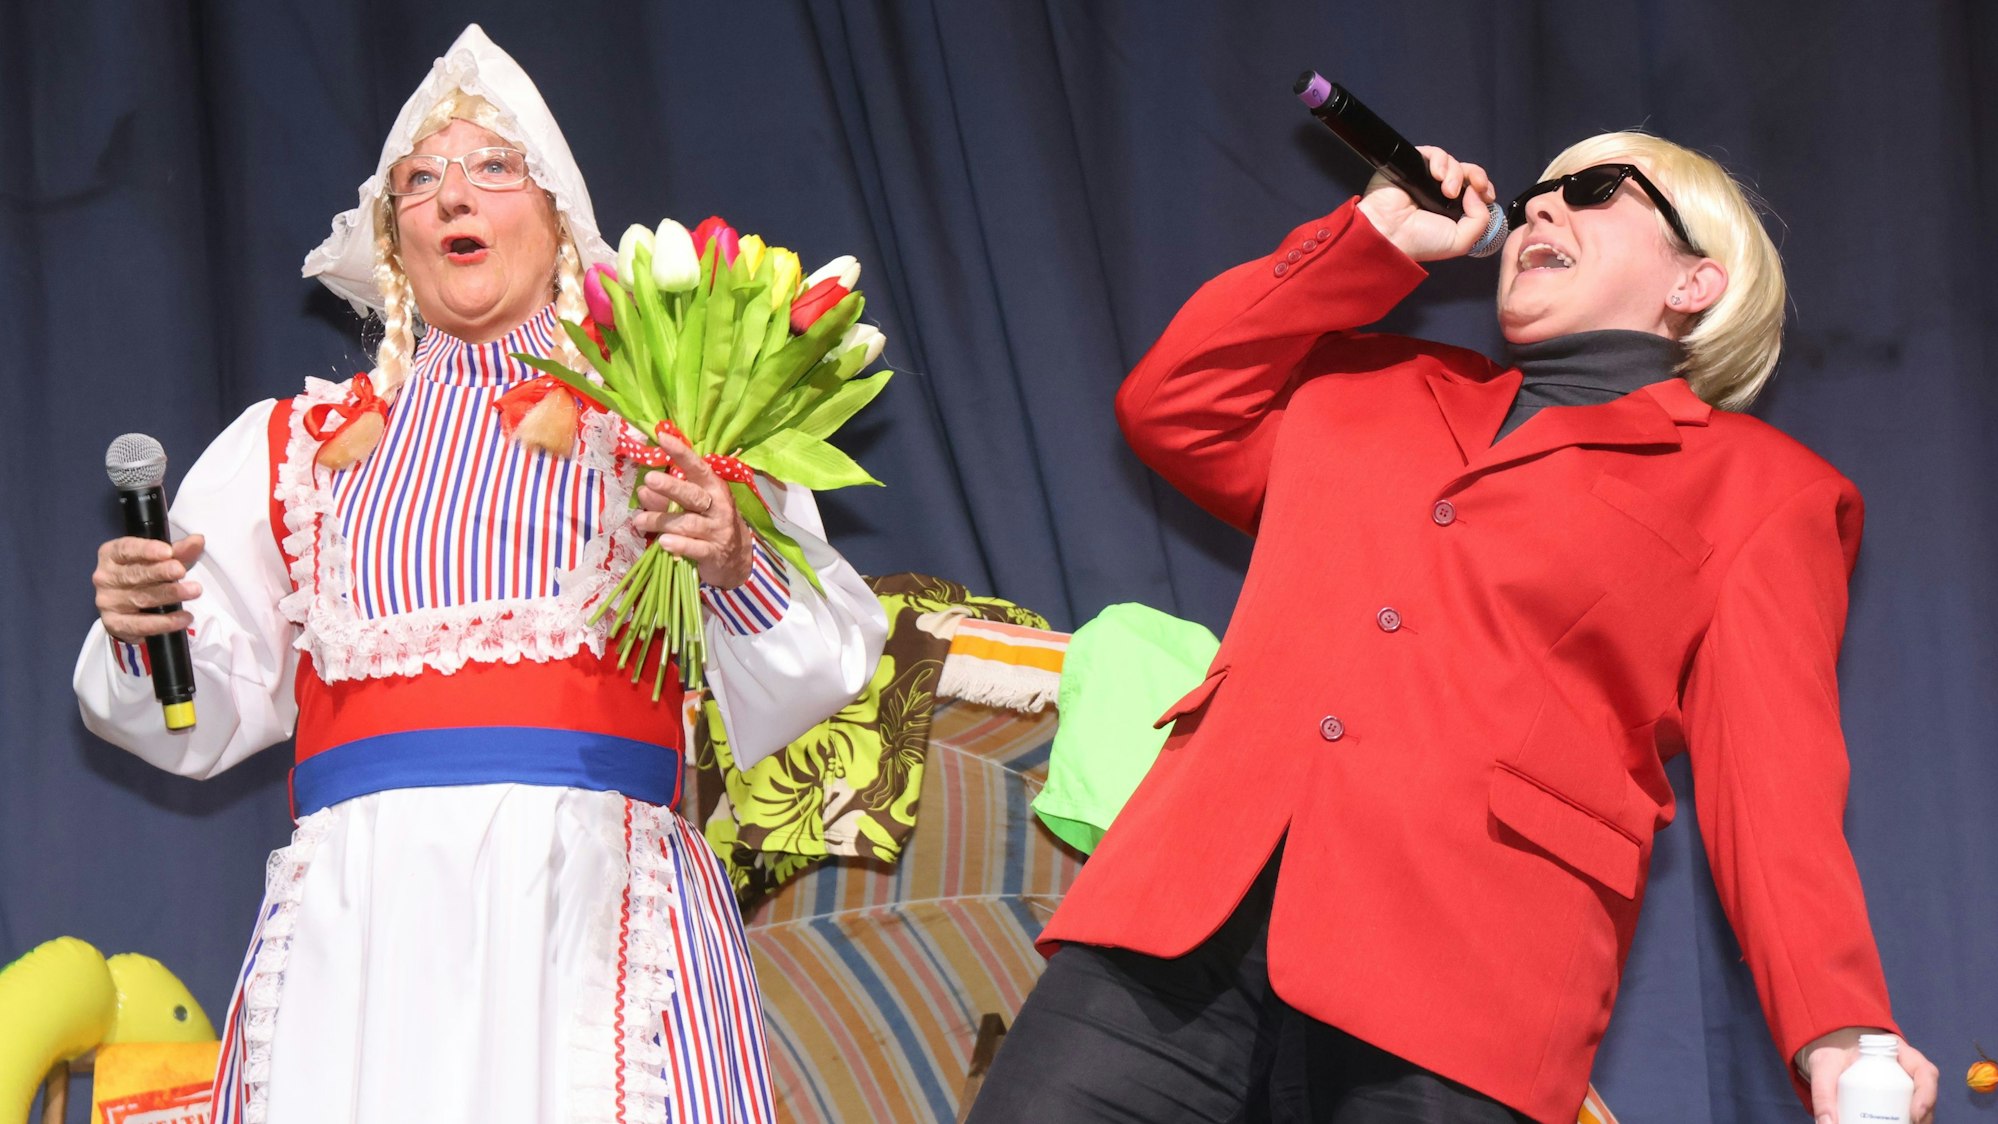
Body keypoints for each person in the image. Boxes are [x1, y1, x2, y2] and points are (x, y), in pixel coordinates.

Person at [969, 133, 1940, 1123]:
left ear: (1696, 280)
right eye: (1541, 190)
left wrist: (1837, 1025)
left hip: (1467, 989)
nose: (1546, 208)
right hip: (1178, 923)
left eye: (1598, 190)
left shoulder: (1764, 491)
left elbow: (1774, 795)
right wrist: (1375, 236)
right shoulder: (1366, 386)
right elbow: (1176, 408)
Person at [75, 25, 885, 1124]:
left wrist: (734, 551)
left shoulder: (661, 420)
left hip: (582, 901)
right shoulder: (295, 447)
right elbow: (192, 711)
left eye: (493, 167)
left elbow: (817, 667)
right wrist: (143, 628)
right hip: (363, 935)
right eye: (421, 179)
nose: (453, 195)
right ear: (392, 235)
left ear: (557, 218)